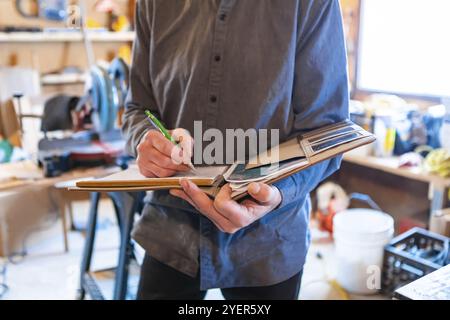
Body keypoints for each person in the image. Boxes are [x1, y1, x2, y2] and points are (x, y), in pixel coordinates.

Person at [123, 0, 349, 300]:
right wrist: (149, 139)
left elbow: (328, 128)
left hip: (269, 238)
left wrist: (277, 192)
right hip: (172, 230)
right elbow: (138, 109)